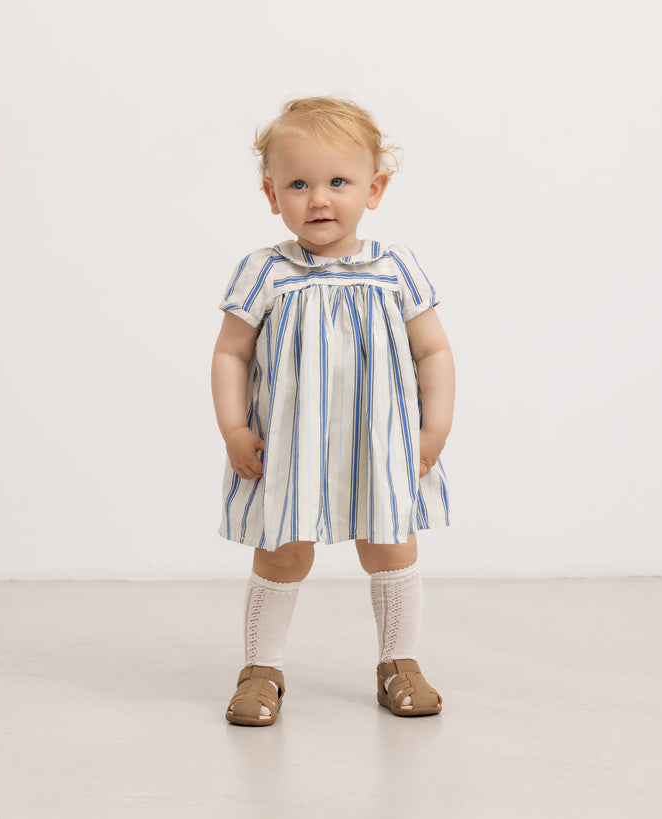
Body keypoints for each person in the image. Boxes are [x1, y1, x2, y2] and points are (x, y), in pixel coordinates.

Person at [211, 96, 455, 725]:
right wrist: (234, 427)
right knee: (282, 552)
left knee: (390, 547)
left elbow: (433, 351)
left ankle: (399, 662)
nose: (319, 199)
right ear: (273, 195)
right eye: (299, 184)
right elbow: (231, 353)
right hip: (289, 446)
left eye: (338, 182)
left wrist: (434, 428)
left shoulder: (395, 268)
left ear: (374, 189)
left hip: (380, 442)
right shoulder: (266, 271)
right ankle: (261, 669)